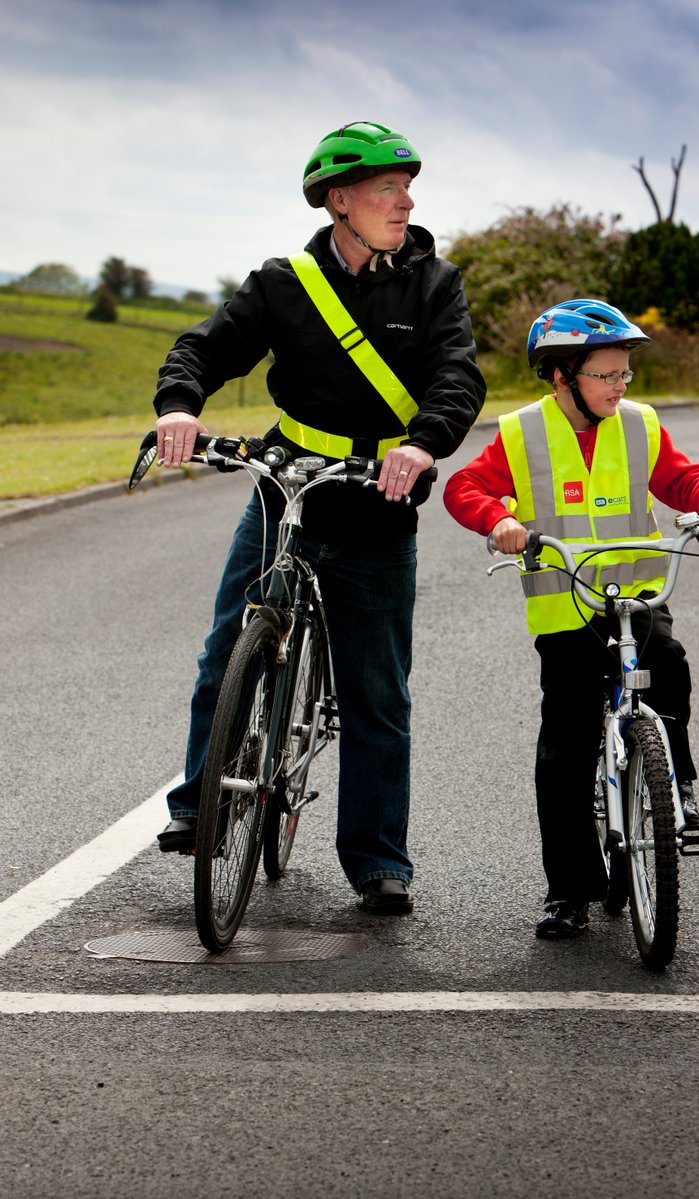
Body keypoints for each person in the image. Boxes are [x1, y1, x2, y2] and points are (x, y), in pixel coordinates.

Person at [152, 120, 485, 915]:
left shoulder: (433, 284)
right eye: (385, 190)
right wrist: (178, 407)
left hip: (378, 494)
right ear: (340, 202)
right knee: (227, 644)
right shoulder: (284, 282)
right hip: (287, 481)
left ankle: (376, 860)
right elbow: (206, 347)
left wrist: (424, 445)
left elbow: (456, 375)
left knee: (377, 691)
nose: (404, 202)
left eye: (406, 189)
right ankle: (200, 803)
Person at [443, 299, 699, 938]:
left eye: (623, 374)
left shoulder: (639, 425)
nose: (619, 386)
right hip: (566, 611)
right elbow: (464, 487)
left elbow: (685, 478)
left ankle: (676, 783)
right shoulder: (524, 432)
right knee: (566, 748)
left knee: (670, 665)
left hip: (637, 599)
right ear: (562, 376)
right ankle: (568, 891)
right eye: (605, 375)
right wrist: (499, 521)